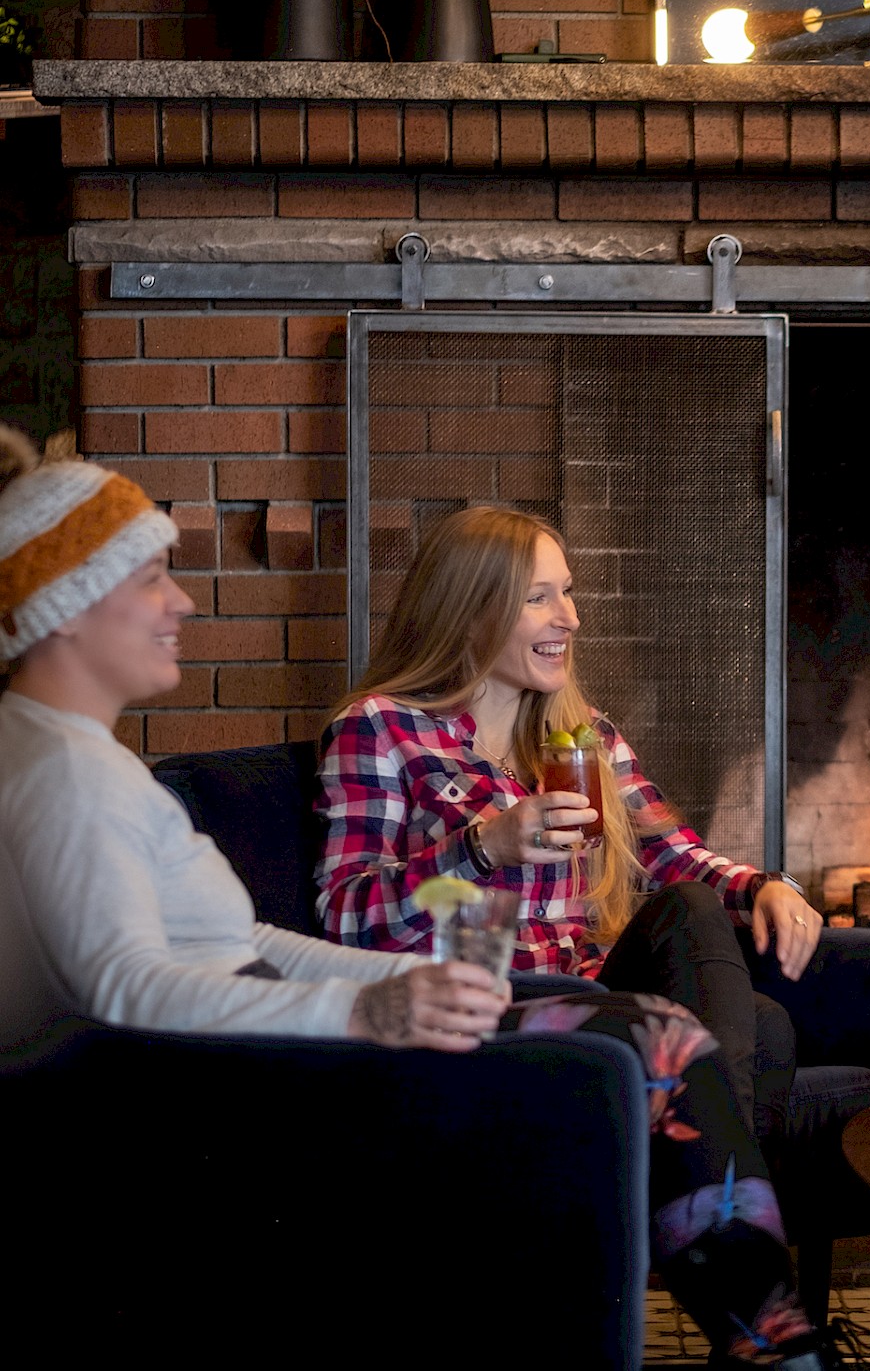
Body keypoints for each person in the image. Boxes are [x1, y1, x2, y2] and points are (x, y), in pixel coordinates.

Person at [316, 504, 831, 1363]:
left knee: (700, 916)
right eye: (541, 599)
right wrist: (483, 846)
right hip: (491, 1003)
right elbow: (346, 913)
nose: (572, 620)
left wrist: (766, 885)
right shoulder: (380, 729)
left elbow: (675, 858)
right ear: (472, 608)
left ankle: (728, 1266)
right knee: (763, 1031)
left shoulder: (577, 735)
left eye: (570, 594)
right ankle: (753, 1305)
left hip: (597, 993)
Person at [0, 426, 503, 1053]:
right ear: (68, 602)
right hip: (242, 1084)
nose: (182, 603)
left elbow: (237, 942)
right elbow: (121, 990)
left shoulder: (63, 750)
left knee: (602, 1020)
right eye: (152, 577)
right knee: (599, 1052)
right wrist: (365, 1010)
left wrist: (407, 975)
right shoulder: (69, 773)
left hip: (260, 1044)